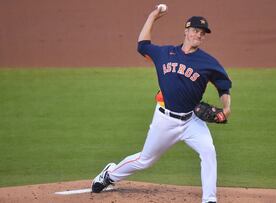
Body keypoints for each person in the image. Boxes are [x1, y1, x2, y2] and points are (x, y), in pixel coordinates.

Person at [91, 5, 232, 203]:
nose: (198, 35)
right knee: (145, 160)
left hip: (192, 120)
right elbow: (142, 45)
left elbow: (223, 86)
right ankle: (110, 175)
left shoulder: (208, 62)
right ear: (186, 31)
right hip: (165, 120)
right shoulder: (165, 53)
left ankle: (209, 199)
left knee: (208, 151)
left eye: (202, 33)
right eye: (195, 31)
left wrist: (226, 108)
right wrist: (152, 17)